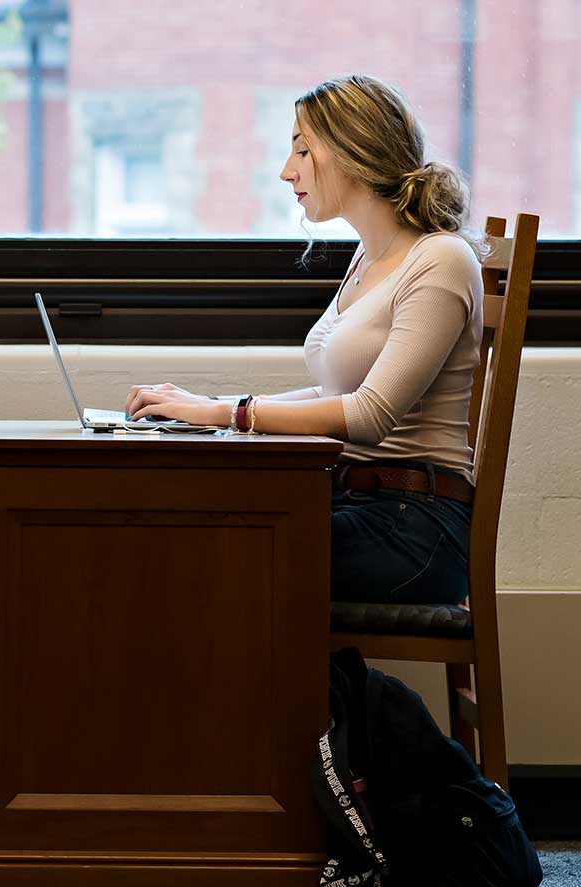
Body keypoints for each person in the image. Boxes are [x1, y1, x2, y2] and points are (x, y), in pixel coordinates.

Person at [123, 74, 486, 605]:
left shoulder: (441, 260)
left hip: (415, 526)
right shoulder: (367, 259)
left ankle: (355, 693)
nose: (285, 170)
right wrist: (208, 405)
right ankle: (348, 691)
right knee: (184, 533)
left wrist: (228, 416)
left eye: (301, 150)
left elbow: (367, 415)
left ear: (351, 152)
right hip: (356, 502)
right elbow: (330, 395)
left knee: (207, 558)